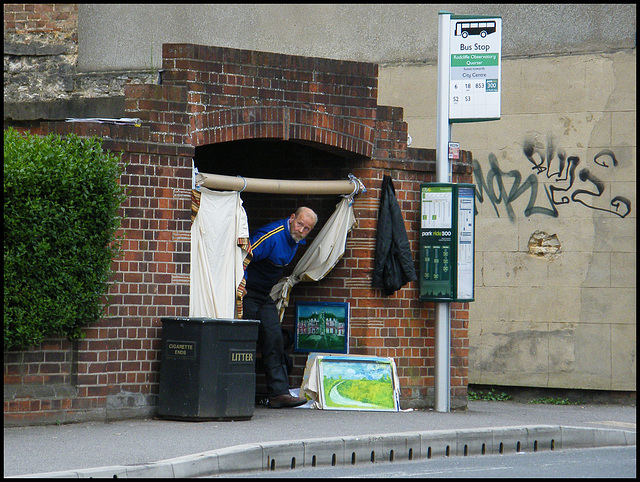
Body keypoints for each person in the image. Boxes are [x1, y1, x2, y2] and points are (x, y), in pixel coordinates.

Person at [243, 207, 318, 408]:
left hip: (263, 295)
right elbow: (243, 256)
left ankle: (278, 393)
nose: (301, 230)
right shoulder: (271, 235)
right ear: (291, 218)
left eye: (307, 229)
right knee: (245, 340)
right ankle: (239, 390)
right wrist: (240, 288)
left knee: (274, 338)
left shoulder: (296, 239)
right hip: (247, 292)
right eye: (300, 224)